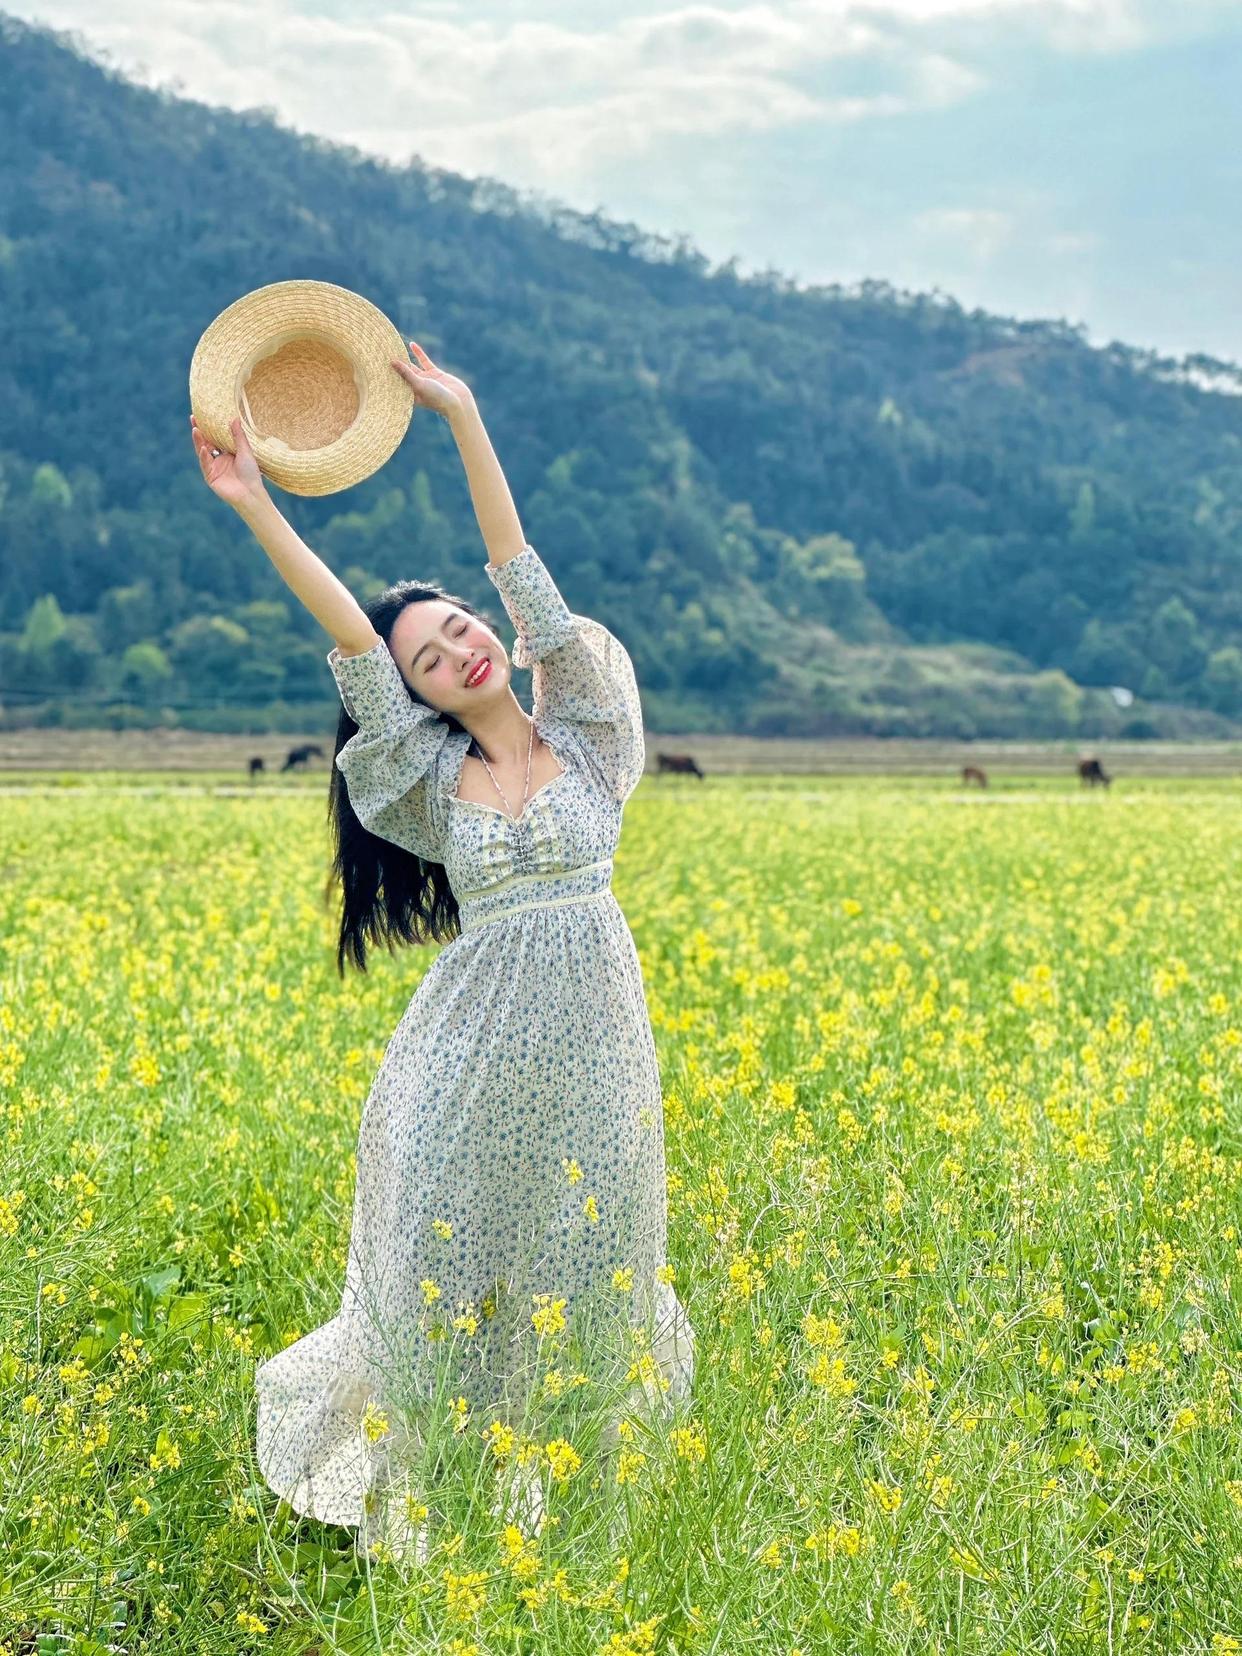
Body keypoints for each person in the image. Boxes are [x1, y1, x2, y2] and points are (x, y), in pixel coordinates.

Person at [189, 345, 695, 1565]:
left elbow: (528, 585)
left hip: (595, 1063)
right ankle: (424, 1516)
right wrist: (258, 504)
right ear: (414, 694)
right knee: (438, 1284)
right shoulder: (423, 781)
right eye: (428, 659)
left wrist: (465, 415)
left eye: (462, 631)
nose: (458, 650)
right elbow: (350, 644)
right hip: (460, 1070)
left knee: (587, 1268)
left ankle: (575, 1511)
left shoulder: (586, 726)